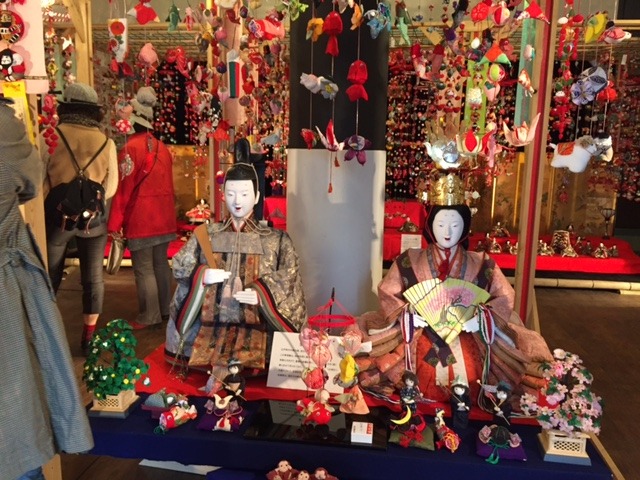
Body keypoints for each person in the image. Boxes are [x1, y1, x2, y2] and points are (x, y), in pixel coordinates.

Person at [357, 173, 553, 414]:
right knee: (408, 365)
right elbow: (389, 292)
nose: (448, 231)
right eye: (441, 224)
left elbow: (503, 296)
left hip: (470, 333)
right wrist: (408, 313)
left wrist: (481, 318)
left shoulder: (482, 263)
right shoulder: (409, 260)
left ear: (465, 227)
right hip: (420, 331)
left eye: (455, 225)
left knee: (482, 367)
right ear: (430, 226)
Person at [0, 98, 93, 480]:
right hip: (8, 286)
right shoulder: (5, 125)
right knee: (17, 415)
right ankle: (89, 332)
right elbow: (29, 181)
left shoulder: (62, 132)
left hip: (60, 218)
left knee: (59, 265)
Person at [165, 161, 306, 371]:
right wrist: (201, 276)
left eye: (244, 194)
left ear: (257, 197)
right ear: (223, 195)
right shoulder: (206, 234)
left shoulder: (276, 239)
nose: (237, 201)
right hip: (208, 325)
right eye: (231, 194)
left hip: (260, 327)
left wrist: (263, 293)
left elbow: (290, 275)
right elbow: (179, 263)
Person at [42, 82, 118, 355]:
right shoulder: (106, 142)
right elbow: (111, 187)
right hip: (92, 221)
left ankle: (48, 333)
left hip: (58, 218)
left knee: (49, 274)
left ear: (66, 107)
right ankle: (88, 338)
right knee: (93, 279)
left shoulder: (50, 136)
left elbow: (40, 181)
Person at [107, 86, 176, 330]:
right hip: (164, 217)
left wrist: (114, 223)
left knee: (144, 268)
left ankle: (149, 314)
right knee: (160, 264)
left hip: (141, 218)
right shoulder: (163, 148)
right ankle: (166, 310)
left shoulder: (130, 149)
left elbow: (123, 190)